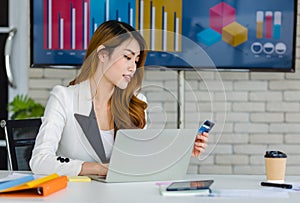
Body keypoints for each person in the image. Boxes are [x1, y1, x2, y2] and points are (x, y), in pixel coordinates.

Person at [30, 20, 209, 176]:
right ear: (102, 54)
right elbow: (40, 160)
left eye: (136, 60)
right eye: (127, 57)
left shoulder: (136, 102)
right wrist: (99, 169)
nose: (133, 67)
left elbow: (140, 161)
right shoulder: (64, 98)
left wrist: (181, 151)